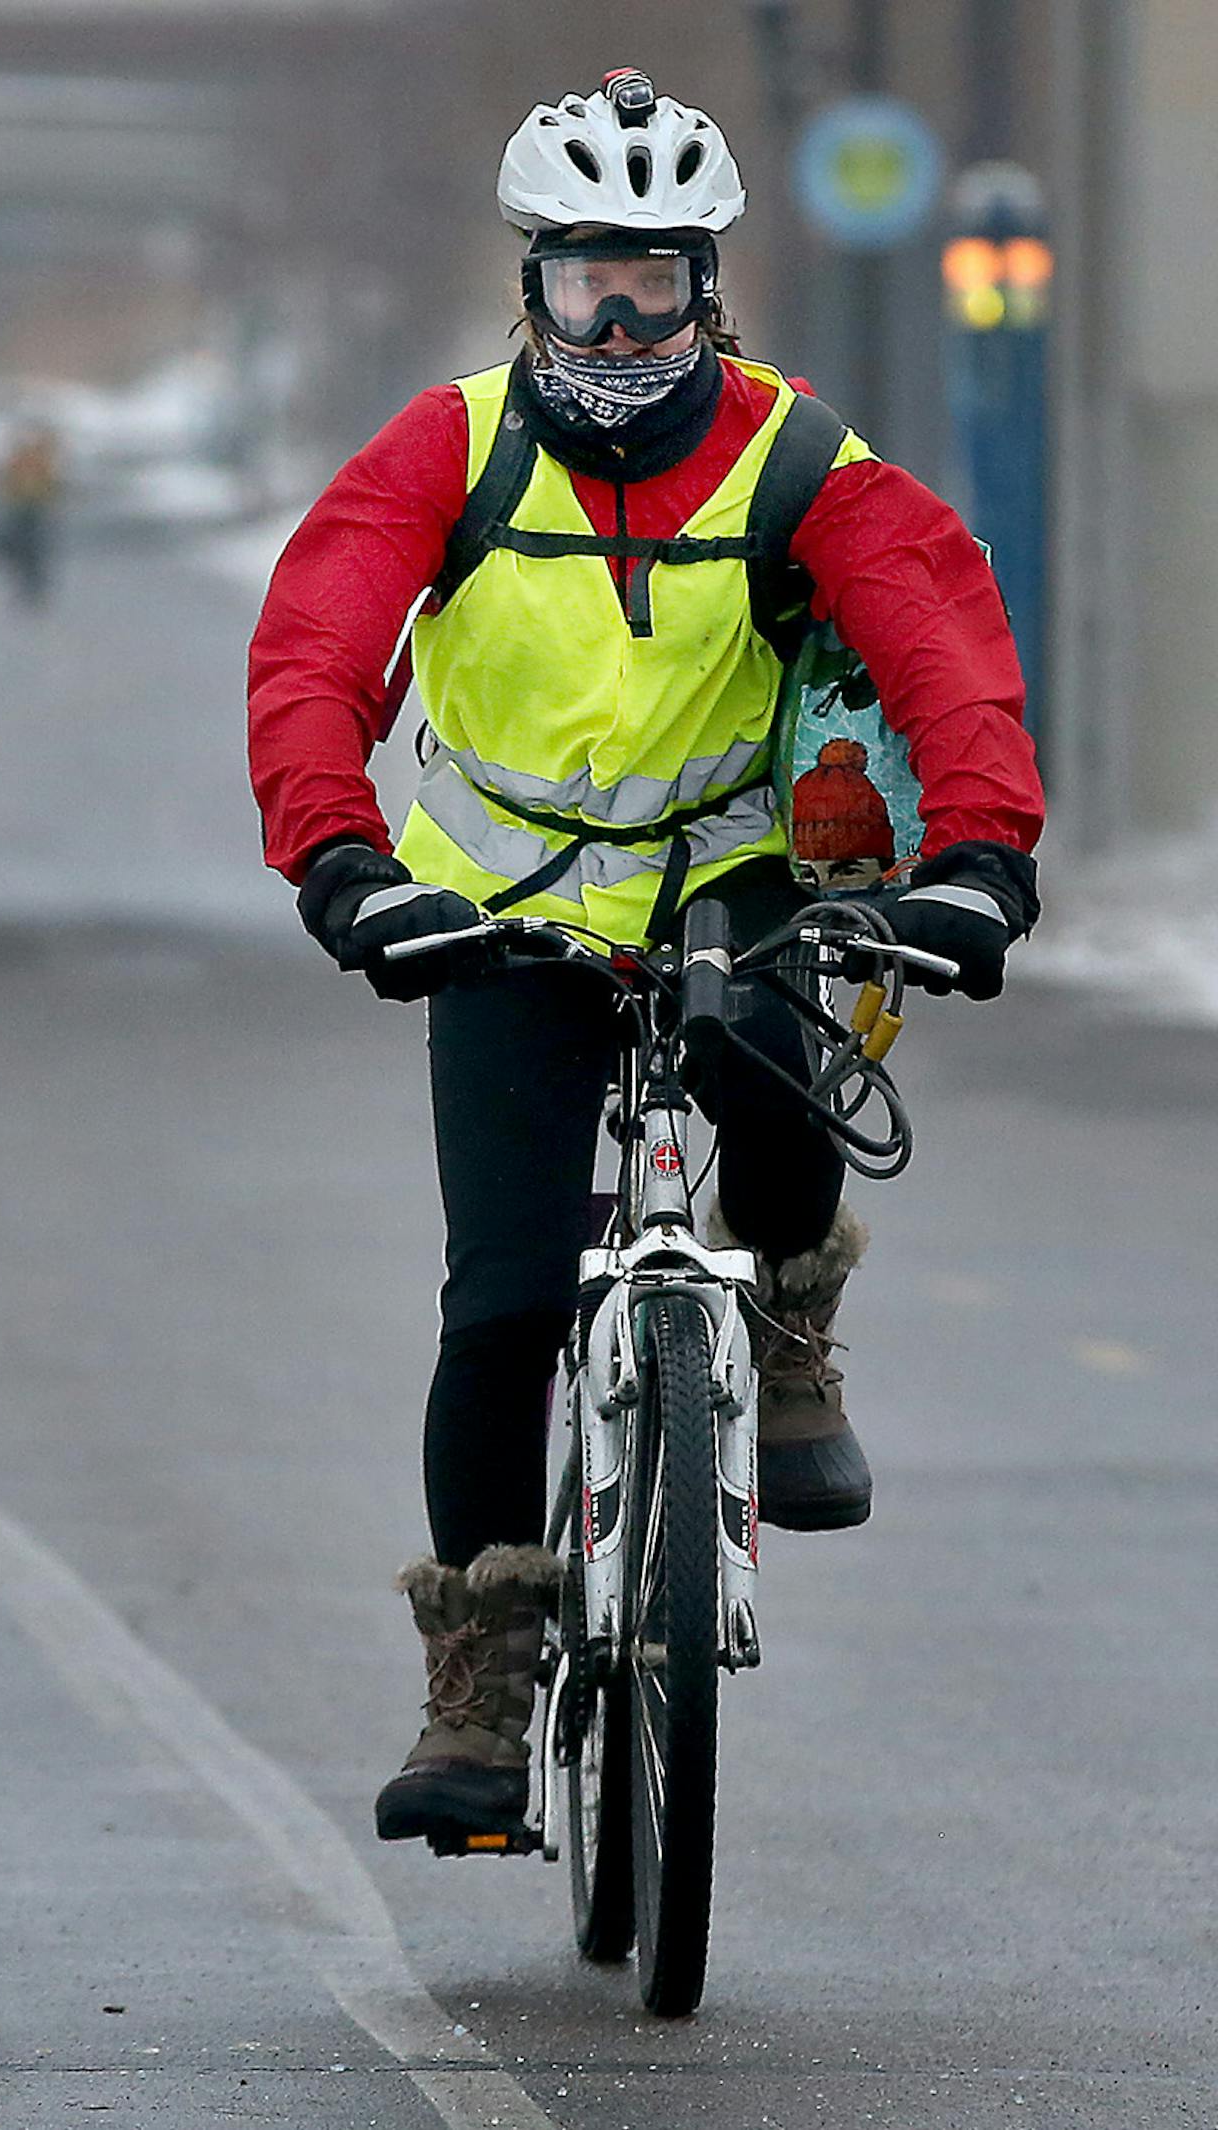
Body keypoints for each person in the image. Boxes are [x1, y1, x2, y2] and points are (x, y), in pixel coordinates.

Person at [247, 70, 1044, 1851]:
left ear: (711, 287)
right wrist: (344, 864)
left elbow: (939, 649)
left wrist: (980, 856)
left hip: (725, 883)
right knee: (508, 1297)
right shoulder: (443, 452)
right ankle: (478, 1668)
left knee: (778, 1097)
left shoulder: (792, 457)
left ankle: (784, 1312)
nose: (622, 319)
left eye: (658, 281)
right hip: (498, 908)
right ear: (528, 282)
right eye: (588, 278)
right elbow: (314, 655)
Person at [0, 423, 62, 606]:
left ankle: (29, 581)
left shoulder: (36, 462)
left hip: (31, 507)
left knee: (31, 545)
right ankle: (27, 577)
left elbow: (49, 484)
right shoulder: (30, 461)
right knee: (27, 544)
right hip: (24, 506)